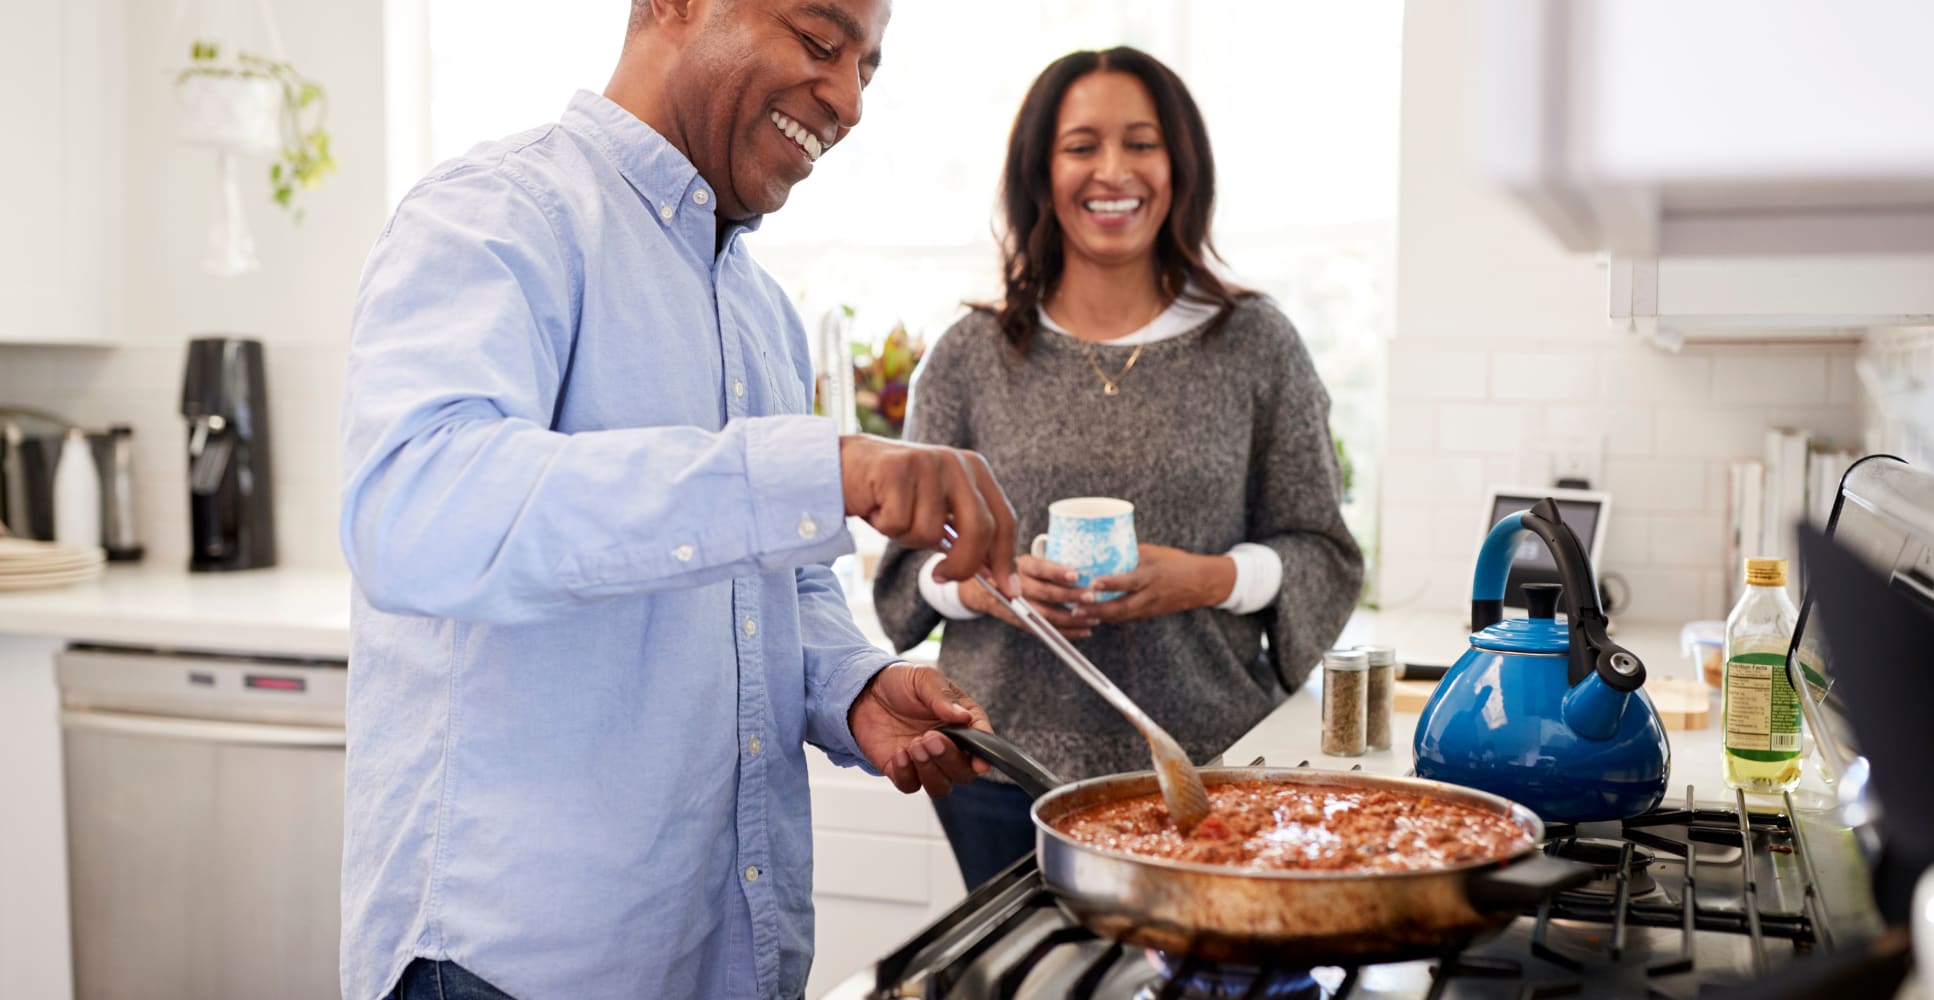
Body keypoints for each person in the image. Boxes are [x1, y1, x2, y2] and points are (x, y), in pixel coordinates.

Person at [337, 2, 1022, 998]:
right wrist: (819, 470)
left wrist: (848, 687)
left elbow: (772, 590)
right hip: (510, 969)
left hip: (722, 949)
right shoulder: (495, 213)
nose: (848, 101)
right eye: (821, 41)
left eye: (865, 69)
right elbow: (417, 510)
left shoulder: (760, 312)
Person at [873, 47, 1365, 890]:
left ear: (1180, 166)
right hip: (1002, 771)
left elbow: (1324, 551)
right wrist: (1000, 588)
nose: (1112, 171)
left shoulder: (1256, 345)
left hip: (1209, 768)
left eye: (1141, 142)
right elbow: (905, 578)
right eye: (1080, 146)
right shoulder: (969, 357)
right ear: (1041, 170)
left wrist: (1206, 578)